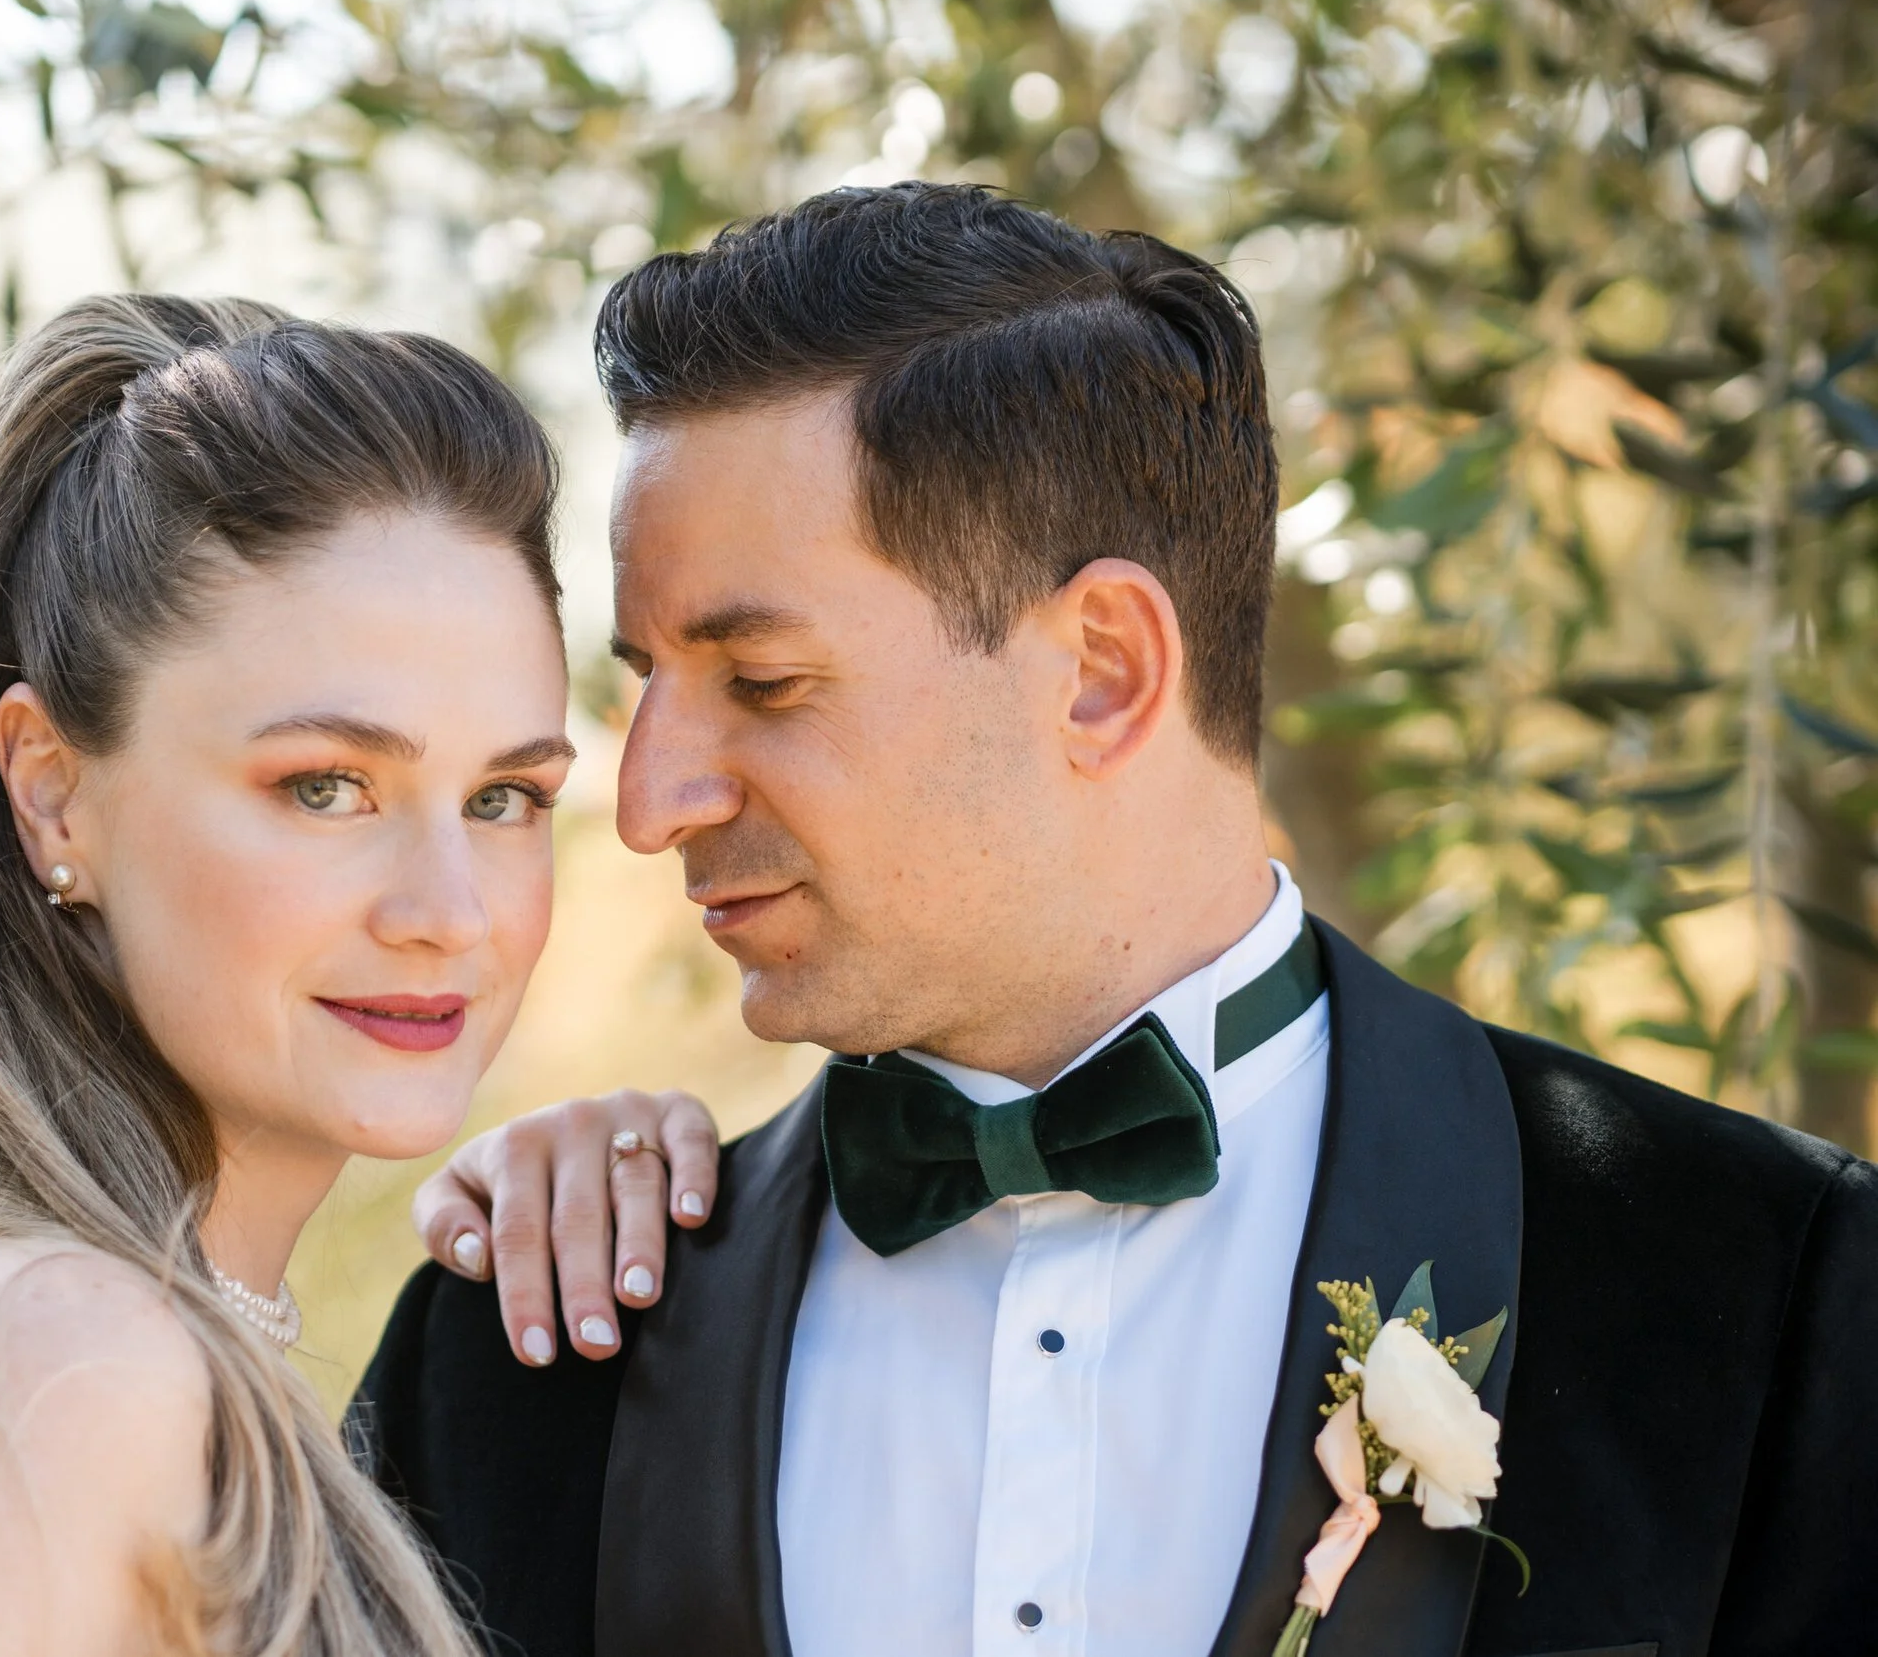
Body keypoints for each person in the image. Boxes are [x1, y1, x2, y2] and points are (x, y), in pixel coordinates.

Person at [355, 185, 1878, 1657]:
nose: (651, 801)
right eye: (645, 686)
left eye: (760, 682)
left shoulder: (1773, 1289)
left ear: (1102, 669)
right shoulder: (519, 1350)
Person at [0, 293, 672, 1656]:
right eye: (327, 786)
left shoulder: (119, 1345)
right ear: (53, 797)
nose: (449, 912)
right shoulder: (40, 1358)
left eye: (505, 796)